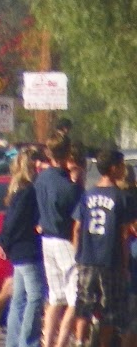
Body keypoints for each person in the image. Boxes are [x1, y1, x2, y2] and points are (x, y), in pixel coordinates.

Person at [70, 148, 130, 347]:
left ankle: (79, 341)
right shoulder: (120, 197)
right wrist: (125, 263)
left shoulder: (88, 194)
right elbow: (123, 235)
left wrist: (78, 255)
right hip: (109, 261)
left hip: (87, 260)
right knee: (109, 310)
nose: (123, 170)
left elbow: (77, 228)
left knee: (84, 305)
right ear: (113, 168)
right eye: (121, 166)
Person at [39, 132, 84, 347]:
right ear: (67, 153)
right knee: (77, 299)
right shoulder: (69, 186)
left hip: (46, 240)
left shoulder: (42, 179)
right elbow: (77, 220)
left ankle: (48, 342)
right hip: (65, 241)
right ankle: (62, 343)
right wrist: (78, 183)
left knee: (56, 297)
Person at [0, 146, 46, 347]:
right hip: (27, 249)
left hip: (18, 250)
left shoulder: (18, 190)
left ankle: (13, 342)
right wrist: (4, 240)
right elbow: (15, 221)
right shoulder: (28, 191)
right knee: (36, 296)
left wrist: (4, 241)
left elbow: (10, 220)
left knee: (19, 298)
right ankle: (28, 342)